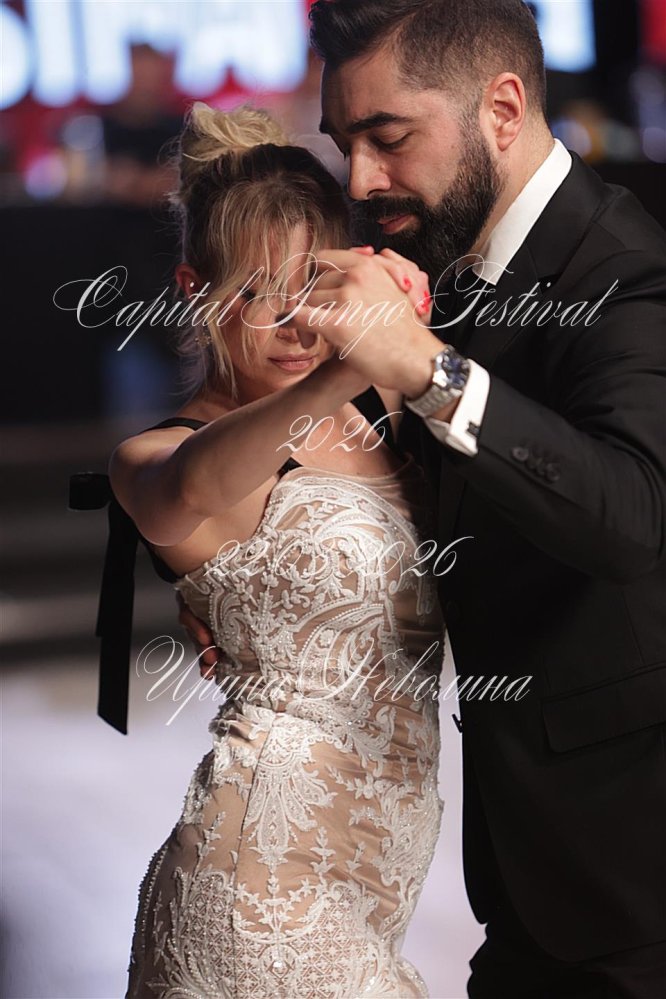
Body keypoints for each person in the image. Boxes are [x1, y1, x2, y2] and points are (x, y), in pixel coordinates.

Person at [180, 2, 666, 996]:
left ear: (503, 108)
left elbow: (629, 515)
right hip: (517, 868)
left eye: (388, 137)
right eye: (344, 143)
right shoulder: (449, 257)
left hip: (634, 868)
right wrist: (245, 590)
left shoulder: (625, 270)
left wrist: (430, 370)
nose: (361, 180)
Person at [110, 100, 448, 997]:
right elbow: (190, 491)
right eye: (262, 294)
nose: (299, 324)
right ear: (196, 289)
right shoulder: (157, 457)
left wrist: (398, 342)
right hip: (256, 889)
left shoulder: (383, 413)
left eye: (317, 287)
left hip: (382, 881)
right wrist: (356, 357)